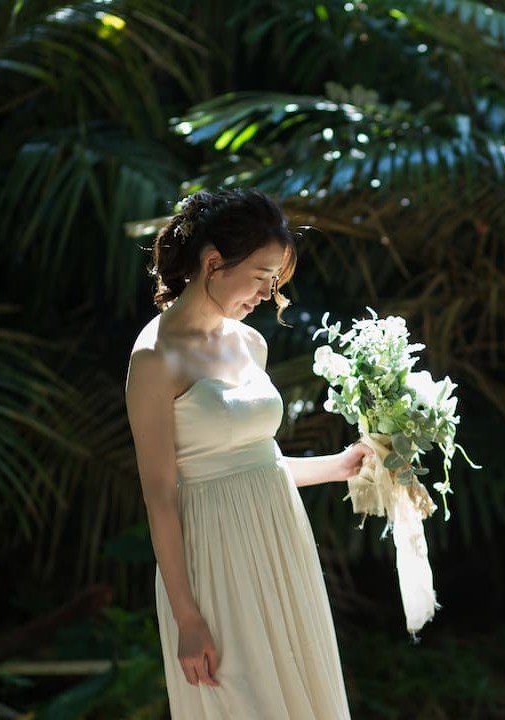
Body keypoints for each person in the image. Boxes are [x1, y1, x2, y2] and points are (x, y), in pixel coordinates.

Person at [125, 188, 366, 719]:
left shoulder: (249, 344)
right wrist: (188, 616)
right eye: (261, 276)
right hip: (212, 560)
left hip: (279, 542)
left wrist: (343, 464)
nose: (268, 293)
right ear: (213, 262)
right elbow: (161, 495)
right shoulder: (154, 358)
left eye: (273, 280)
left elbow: (256, 464)